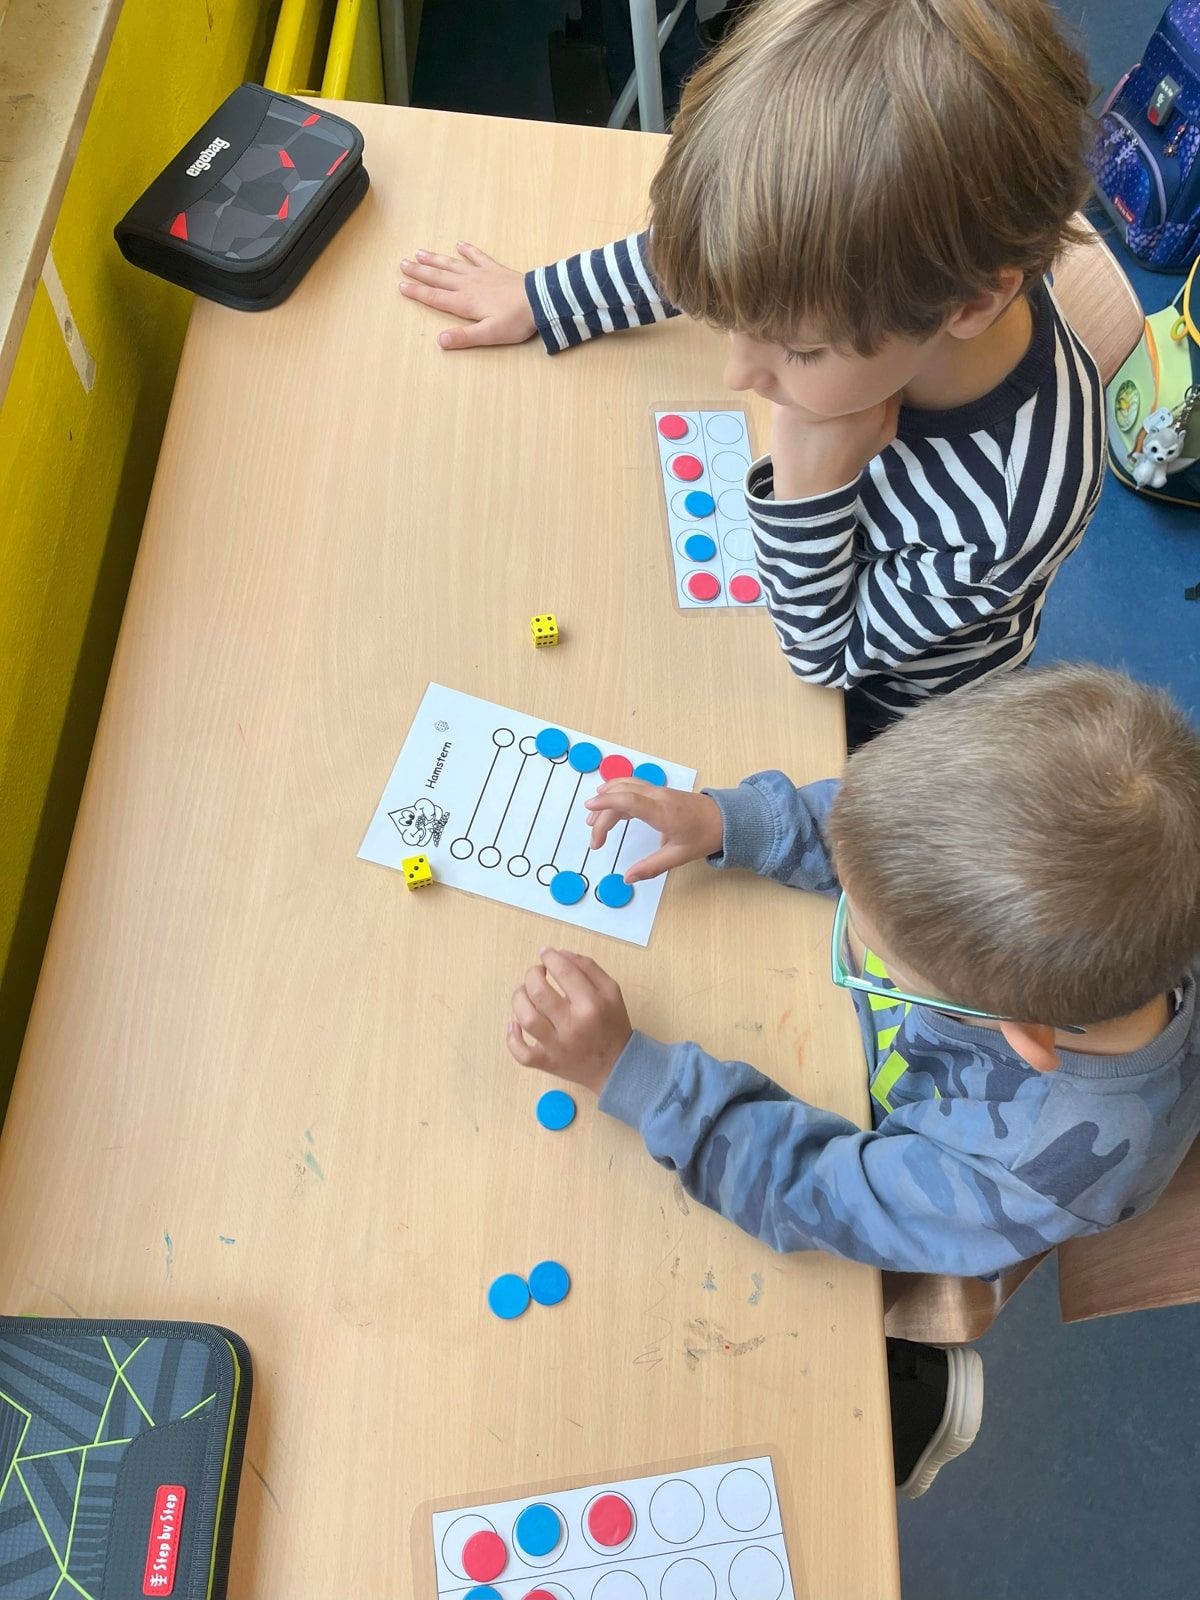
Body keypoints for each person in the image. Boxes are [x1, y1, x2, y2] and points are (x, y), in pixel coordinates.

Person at [504, 666, 1200, 1492]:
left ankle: (921, 1393)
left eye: (879, 955)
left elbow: (817, 1192)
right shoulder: (1118, 891)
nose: (856, 916)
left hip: (917, 1199)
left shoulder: (1042, 1166)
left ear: (1021, 1033)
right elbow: (886, 834)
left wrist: (635, 1076)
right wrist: (737, 821)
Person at [401, 0, 1104, 747]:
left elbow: (826, 657)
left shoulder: (1013, 504)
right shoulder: (893, 270)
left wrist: (808, 487)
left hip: (892, 716)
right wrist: (542, 299)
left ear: (972, 302)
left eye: (796, 351)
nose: (739, 370)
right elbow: (733, 257)